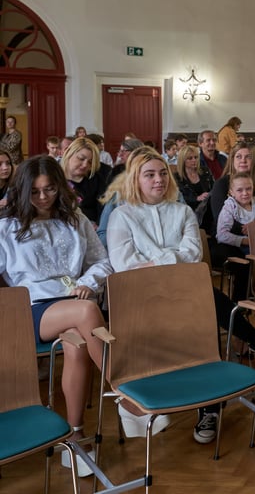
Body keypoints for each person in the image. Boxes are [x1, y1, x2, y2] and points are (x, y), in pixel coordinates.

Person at [0, 156, 155, 478]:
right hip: (31, 309)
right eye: (35, 192)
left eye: (50, 189)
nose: (43, 197)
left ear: (60, 187)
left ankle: (75, 436)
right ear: (23, 191)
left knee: (78, 345)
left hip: (72, 300)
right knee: (86, 312)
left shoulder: (74, 219)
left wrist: (87, 282)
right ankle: (126, 396)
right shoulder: (6, 226)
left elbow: (102, 261)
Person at [106, 146, 255, 445]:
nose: (158, 180)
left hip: (184, 293)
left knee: (203, 310)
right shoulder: (121, 216)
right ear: (135, 179)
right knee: (207, 301)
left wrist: (155, 260)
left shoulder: (182, 211)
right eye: (149, 175)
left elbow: (193, 254)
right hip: (140, 297)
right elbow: (125, 264)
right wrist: (170, 258)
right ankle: (254, 339)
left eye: (163, 173)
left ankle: (210, 407)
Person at [209, 142, 255, 227]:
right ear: (232, 160)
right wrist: (248, 230)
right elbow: (219, 218)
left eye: (248, 157)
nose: (243, 161)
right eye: (238, 157)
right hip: (230, 232)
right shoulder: (221, 184)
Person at [61, 137, 111, 225]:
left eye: (90, 162)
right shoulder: (55, 177)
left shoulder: (97, 180)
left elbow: (102, 210)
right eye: (81, 158)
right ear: (69, 153)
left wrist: (98, 224)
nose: (85, 165)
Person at [173, 144, 215, 233]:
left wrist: (208, 195)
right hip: (190, 209)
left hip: (208, 206)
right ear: (183, 160)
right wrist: (197, 198)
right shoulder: (177, 177)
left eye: (196, 157)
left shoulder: (205, 171)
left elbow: (214, 187)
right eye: (190, 158)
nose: (194, 160)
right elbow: (179, 198)